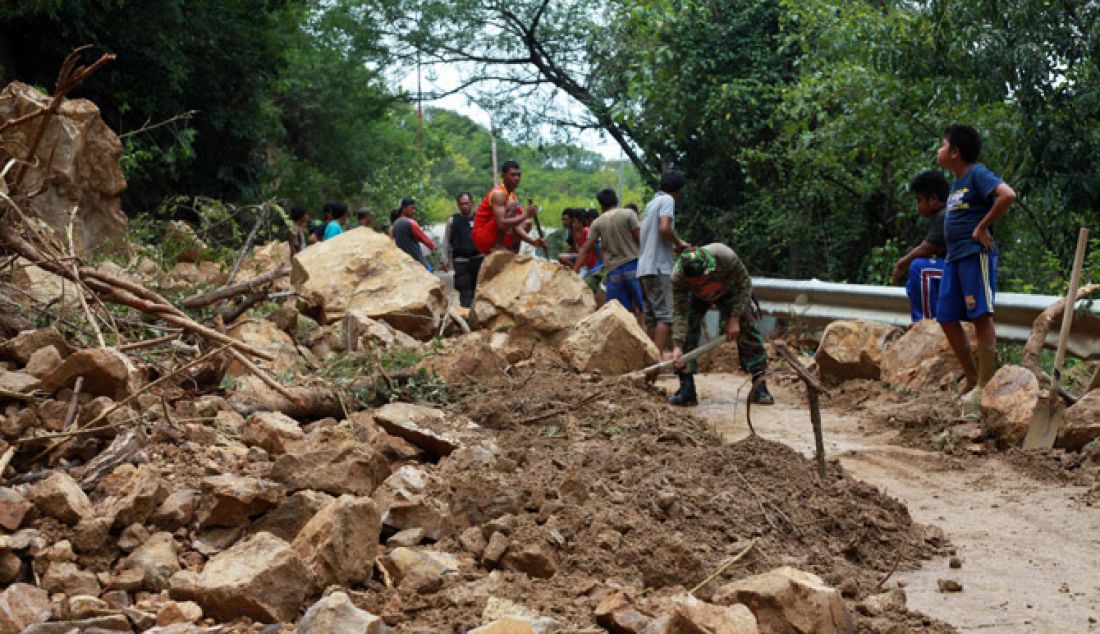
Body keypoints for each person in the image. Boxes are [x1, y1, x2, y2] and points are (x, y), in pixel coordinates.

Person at [936, 124, 1016, 395]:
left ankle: (984, 384)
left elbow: (1007, 195)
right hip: (954, 258)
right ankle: (971, 378)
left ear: (956, 152)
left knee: (981, 315)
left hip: (974, 255)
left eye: (943, 145)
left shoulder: (977, 174)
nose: (939, 149)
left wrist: (982, 227)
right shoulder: (957, 182)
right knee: (946, 316)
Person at [669, 245, 774, 406]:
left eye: (702, 278)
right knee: (685, 335)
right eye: (695, 280)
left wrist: (734, 318)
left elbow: (745, 284)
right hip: (696, 299)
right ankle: (687, 389)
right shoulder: (678, 278)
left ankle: (760, 386)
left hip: (728, 291)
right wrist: (677, 345)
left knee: (748, 329)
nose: (700, 282)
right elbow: (679, 313)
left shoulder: (725, 257)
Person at [638, 171, 691, 357]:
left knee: (651, 319)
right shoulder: (668, 201)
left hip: (643, 268)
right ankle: (655, 361)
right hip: (658, 267)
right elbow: (665, 228)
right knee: (665, 317)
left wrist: (672, 243)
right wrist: (679, 244)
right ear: (678, 190)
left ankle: (647, 360)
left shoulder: (650, 204)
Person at [573, 189, 645, 325]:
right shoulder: (629, 214)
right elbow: (640, 239)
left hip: (613, 271)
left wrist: (573, 272)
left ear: (600, 204)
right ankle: (642, 337)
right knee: (641, 307)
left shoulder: (597, 223)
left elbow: (585, 249)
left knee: (617, 311)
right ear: (617, 200)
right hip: (633, 266)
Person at [893, 170, 949, 321]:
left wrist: (901, 264)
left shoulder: (945, 215)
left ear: (933, 199)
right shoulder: (943, 214)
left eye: (919, 200)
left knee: (919, 267)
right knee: (913, 282)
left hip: (963, 269)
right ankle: (930, 319)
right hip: (954, 269)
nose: (917, 206)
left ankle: (926, 323)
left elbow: (926, 249)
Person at [472, 160, 546, 254]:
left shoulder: (512, 196)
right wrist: (526, 214)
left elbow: (517, 225)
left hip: (495, 235)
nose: (516, 178)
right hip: (482, 237)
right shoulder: (498, 193)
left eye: (518, 175)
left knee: (527, 224)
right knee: (514, 207)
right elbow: (501, 224)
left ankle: (512, 253)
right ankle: (498, 246)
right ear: (503, 176)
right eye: (513, 175)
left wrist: (533, 242)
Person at [443, 192, 483, 307]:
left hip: (478, 260)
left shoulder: (480, 219)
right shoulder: (452, 221)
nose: (464, 206)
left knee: (478, 291)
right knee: (465, 292)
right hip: (461, 261)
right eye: (461, 204)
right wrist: (444, 260)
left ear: (472, 203)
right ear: (458, 205)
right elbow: (446, 241)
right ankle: (466, 318)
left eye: (466, 203)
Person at [391, 197, 436, 269]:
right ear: (403, 208)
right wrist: (434, 248)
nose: (414, 211)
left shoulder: (395, 224)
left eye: (414, 208)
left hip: (403, 262)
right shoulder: (411, 223)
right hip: (416, 261)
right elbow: (425, 240)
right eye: (412, 208)